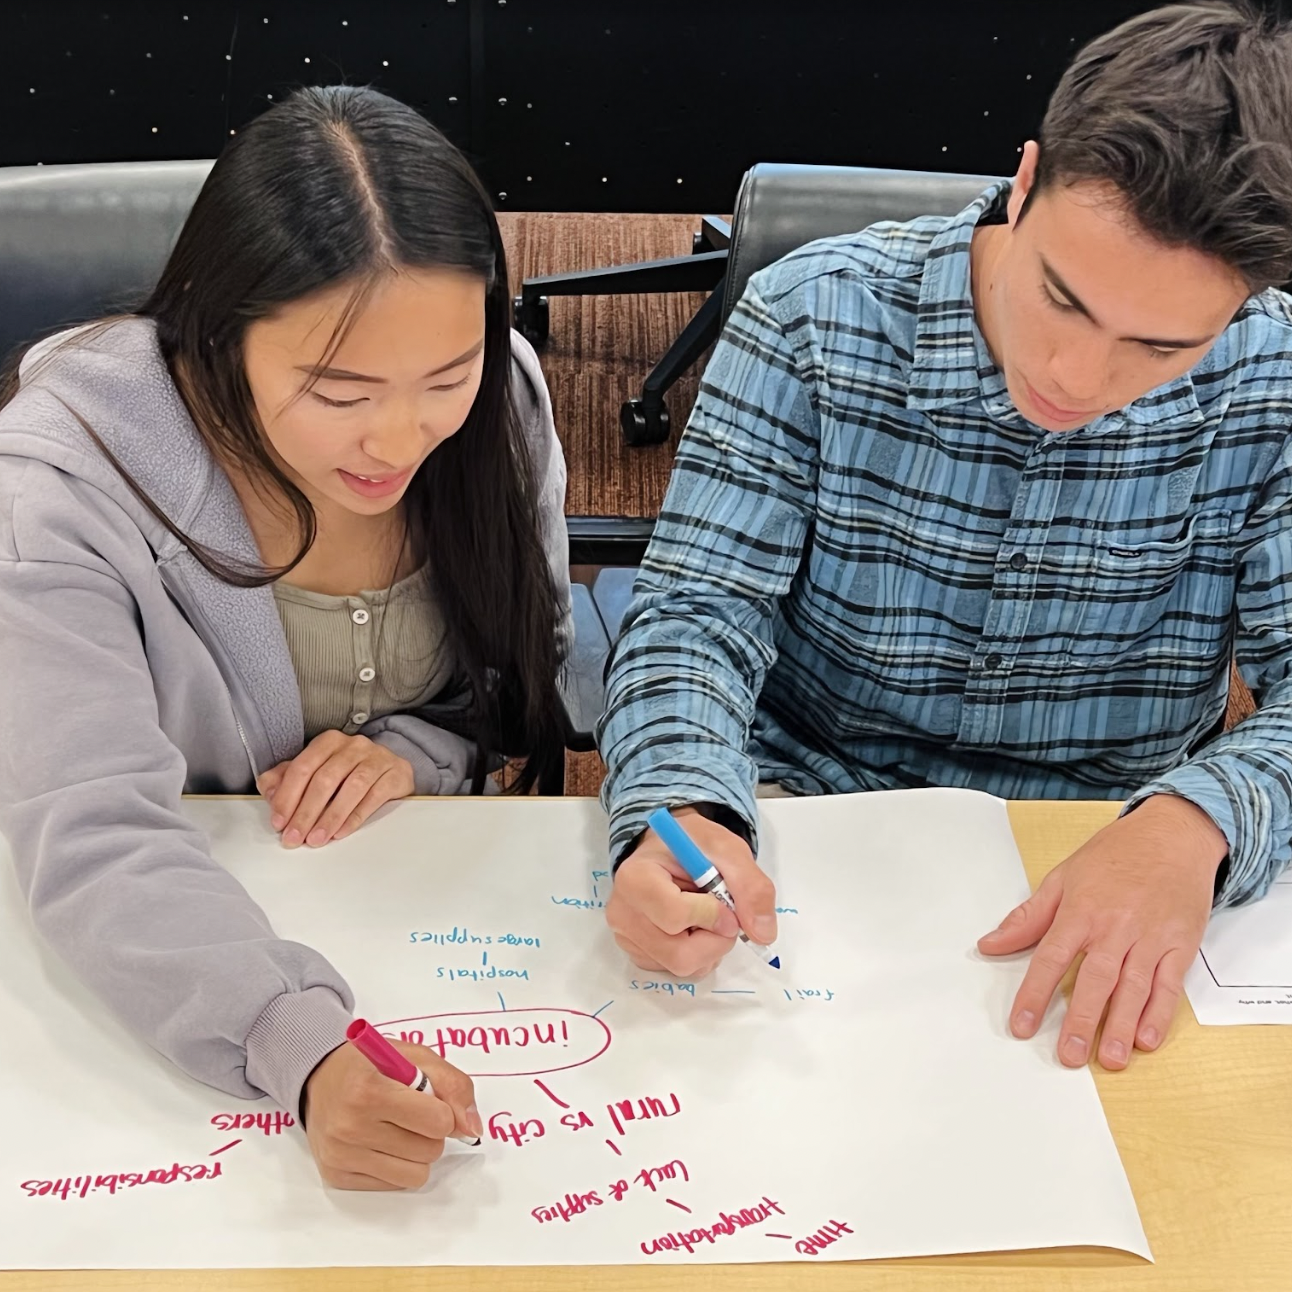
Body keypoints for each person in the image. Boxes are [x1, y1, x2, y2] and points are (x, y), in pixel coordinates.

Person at [598, 2, 1292, 1073]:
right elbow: (696, 615)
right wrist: (684, 805)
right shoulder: (810, 315)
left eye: (1158, 347)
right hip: (803, 815)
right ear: (1024, 181)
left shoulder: (1273, 381)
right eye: (1060, 297)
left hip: (1120, 841)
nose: (1074, 378)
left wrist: (1196, 822)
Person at [0, 85, 572, 1190]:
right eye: (340, 392)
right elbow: (91, 830)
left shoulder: (502, 407)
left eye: (446, 376)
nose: (400, 439)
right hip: (166, 954)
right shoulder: (58, 487)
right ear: (219, 335)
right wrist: (293, 1041)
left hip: (418, 910)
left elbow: (520, 670)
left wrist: (418, 750)